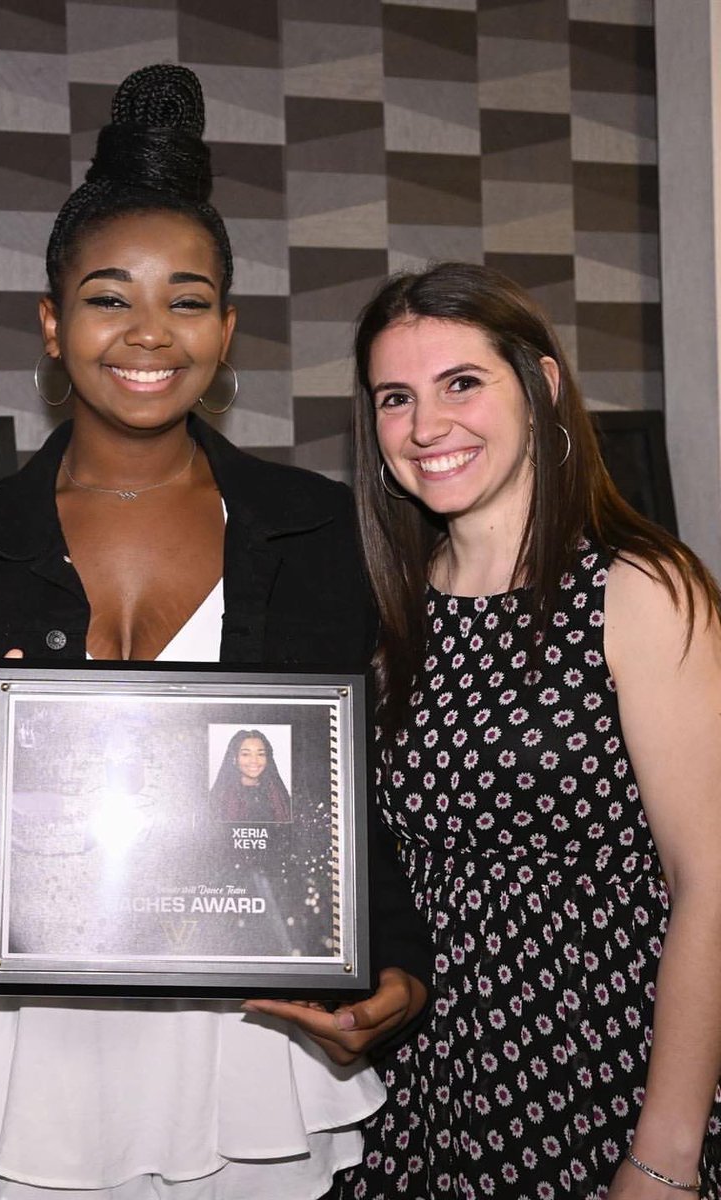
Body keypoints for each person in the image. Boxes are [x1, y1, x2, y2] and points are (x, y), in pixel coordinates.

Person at [0, 65, 431, 1200]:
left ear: (227, 330)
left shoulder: (320, 530)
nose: (150, 332)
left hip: (246, 1040)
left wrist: (397, 961)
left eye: (187, 301)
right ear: (52, 324)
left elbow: (356, 789)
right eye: (109, 298)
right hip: (27, 1045)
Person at [331, 261, 721, 1198]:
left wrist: (665, 1156)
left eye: (461, 383)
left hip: (601, 1074)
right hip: (421, 1087)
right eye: (396, 398)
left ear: (541, 387)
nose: (427, 426)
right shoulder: (390, 610)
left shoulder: (640, 588)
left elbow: (711, 882)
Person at [210, 728, 292, 823]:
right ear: (235, 758)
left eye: (260, 754)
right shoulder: (220, 797)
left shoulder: (280, 797)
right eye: (246, 754)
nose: (254, 760)